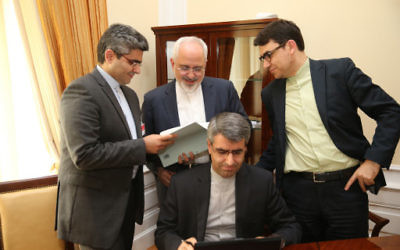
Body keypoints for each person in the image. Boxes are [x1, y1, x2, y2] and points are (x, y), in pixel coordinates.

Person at [254, 19, 400, 242]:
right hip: (297, 195)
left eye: (268, 55)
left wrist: (373, 161)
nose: (265, 64)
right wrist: (251, 177)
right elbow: (279, 141)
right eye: (262, 58)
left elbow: (391, 112)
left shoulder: (339, 72)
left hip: (345, 190)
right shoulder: (271, 93)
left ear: (290, 46)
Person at [56, 24, 175, 250]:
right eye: (133, 62)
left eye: (139, 63)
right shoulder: (81, 91)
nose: (138, 70)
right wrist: (143, 146)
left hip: (125, 202)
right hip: (96, 210)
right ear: (110, 55)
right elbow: (84, 155)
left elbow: (129, 138)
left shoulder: (129, 94)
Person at [155, 112, 301, 250]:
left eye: (237, 152)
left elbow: (291, 227)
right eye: (222, 152)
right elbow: (163, 231)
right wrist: (178, 245)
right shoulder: (182, 183)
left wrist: (270, 242)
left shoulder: (262, 181)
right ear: (209, 147)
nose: (230, 162)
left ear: (245, 148)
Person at [142, 36, 249, 204]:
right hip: (174, 180)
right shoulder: (153, 99)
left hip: (219, 176)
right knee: (176, 229)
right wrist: (158, 171)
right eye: (184, 68)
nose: (191, 75)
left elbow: (245, 126)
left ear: (205, 63)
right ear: (172, 63)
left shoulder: (224, 89)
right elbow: (145, 145)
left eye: (198, 68)